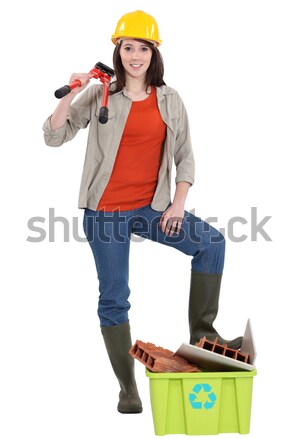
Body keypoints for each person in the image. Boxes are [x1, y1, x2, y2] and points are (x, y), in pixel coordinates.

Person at [43, 10, 242, 414]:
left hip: (153, 209)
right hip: (106, 213)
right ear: (118, 51)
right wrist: (70, 93)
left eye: (143, 48)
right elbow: (54, 136)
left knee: (212, 245)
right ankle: (127, 389)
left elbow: (185, 157)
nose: (136, 55)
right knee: (114, 298)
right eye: (128, 47)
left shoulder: (170, 100)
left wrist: (177, 204)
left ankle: (204, 337)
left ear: (155, 53)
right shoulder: (100, 94)